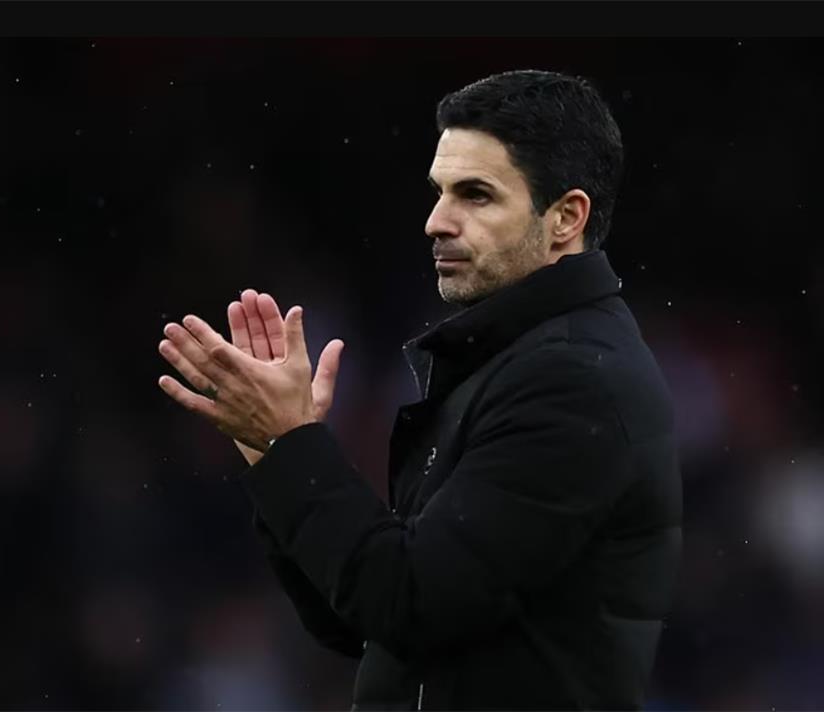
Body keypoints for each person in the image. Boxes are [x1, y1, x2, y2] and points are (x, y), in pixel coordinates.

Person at [157, 69, 681, 711]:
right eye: (439, 193)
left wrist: (292, 443)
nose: (436, 221)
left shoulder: (572, 381)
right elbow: (359, 621)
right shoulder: (511, 364)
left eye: (475, 195)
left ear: (566, 217)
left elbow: (410, 606)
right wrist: (273, 453)